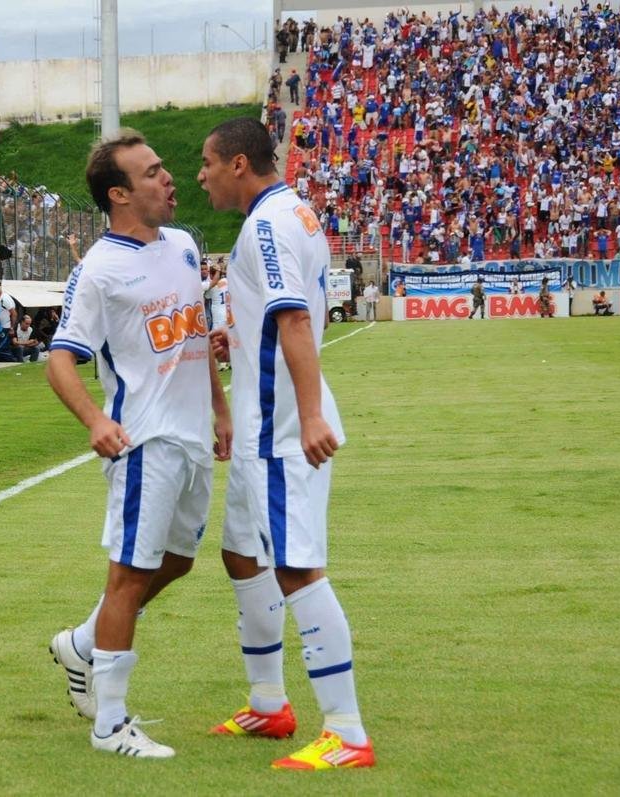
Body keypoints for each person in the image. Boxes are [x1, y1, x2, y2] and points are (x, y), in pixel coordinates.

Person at [46, 130, 231, 759]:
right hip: (145, 441)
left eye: (164, 168)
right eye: (152, 173)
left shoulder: (182, 244)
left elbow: (195, 334)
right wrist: (96, 420)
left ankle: (80, 643)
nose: (169, 178)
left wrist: (220, 406)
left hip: (192, 439)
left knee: (176, 561)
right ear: (120, 194)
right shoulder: (99, 270)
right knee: (128, 577)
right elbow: (61, 361)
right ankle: (111, 724)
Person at [198, 117, 375, 770]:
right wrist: (237, 338)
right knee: (242, 553)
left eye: (208, 162)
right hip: (258, 421)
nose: (201, 174)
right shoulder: (292, 214)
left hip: (279, 427)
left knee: (297, 564)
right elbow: (274, 313)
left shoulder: (269, 222)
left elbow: (294, 315)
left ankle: (347, 731)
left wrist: (306, 416)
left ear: (239, 164)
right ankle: (270, 703)